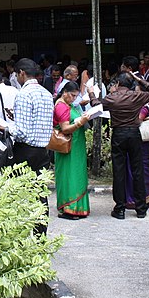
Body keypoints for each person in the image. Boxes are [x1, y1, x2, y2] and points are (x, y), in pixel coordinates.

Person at [0, 58, 54, 236]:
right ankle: (39, 235)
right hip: (43, 151)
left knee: (17, 193)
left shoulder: (24, 94)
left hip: (25, 150)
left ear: (21, 73)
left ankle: (18, 235)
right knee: (39, 194)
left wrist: (1, 125)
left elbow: (21, 132)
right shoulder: (46, 93)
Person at [101, 72, 149, 219]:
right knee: (137, 170)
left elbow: (96, 104)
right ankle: (141, 208)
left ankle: (120, 208)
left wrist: (91, 93)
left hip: (119, 134)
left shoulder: (112, 97)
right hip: (134, 133)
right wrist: (140, 79)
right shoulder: (136, 96)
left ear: (118, 84)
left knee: (119, 171)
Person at [53, 81, 91, 219]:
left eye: (76, 96)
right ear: (65, 93)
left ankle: (77, 207)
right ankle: (69, 207)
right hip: (68, 146)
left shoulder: (67, 104)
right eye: (73, 95)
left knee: (77, 173)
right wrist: (81, 121)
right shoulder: (61, 107)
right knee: (70, 174)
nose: (74, 98)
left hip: (76, 145)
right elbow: (65, 128)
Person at [126, 100, 149, 209]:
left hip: (144, 143)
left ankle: (143, 199)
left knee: (143, 170)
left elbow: (138, 120)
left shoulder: (144, 107)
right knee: (148, 170)